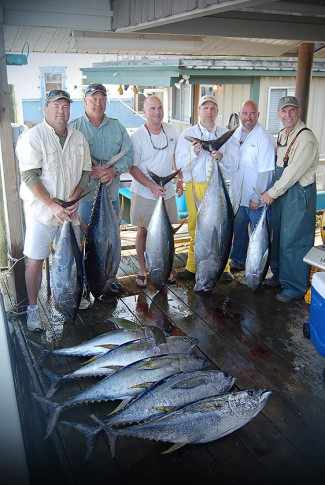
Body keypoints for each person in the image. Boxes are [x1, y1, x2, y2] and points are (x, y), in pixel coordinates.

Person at [17, 89, 92, 331]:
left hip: (70, 211)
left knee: (73, 259)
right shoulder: (33, 136)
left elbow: (87, 172)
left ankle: (73, 295)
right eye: (56, 106)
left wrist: (75, 197)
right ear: (45, 108)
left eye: (65, 106)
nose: (61, 111)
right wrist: (51, 204)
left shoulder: (78, 137)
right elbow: (29, 175)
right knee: (35, 261)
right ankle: (32, 308)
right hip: (42, 211)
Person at [69, 83, 133, 298]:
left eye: (101, 98)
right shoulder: (74, 127)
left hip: (111, 195)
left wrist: (114, 169)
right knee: (85, 244)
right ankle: (86, 284)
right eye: (93, 98)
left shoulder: (118, 126)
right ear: (85, 101)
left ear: (106, 101)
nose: (98, 102)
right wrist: (90, 169)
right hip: (84, 197)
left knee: (111, 242)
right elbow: (67, 160)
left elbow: (129, 155)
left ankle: (109, 279)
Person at [260, 96, 319, 302]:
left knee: (294, 241)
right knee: (278, 238)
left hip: (297, 196)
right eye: (284, 111)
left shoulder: (306, 139)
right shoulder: (284, 134)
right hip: (282, 195)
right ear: (278, 114)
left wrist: (271, 193)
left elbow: (292, 173)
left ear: (299, 112)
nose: (288, 115)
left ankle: (294, 287)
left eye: (292, 111)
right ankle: (279, 275)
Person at [175, 95, 234, 282]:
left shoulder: (226, 133)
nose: (209, 112)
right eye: (205, 108)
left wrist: (222, 157)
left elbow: (235, 161)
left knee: (221, 228)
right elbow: (180, 164)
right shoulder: (187, 134)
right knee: (195, 228)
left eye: (212, 108)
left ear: (217, 112)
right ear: (199, 111)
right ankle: (192, 266)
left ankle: (224, 267)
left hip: (218, 189)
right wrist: (195, 152)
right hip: (195, 187)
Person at [129, 95, 183, 288]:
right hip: (144, 192)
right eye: (152, 109)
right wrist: (151, 185)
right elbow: (132, 168)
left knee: (167, 232)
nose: (157, 112)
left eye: (159, 108)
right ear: (144, 111)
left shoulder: (171, 130)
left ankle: (165, 267)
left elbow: (177, 156)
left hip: (166, 191)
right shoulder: (136, 137)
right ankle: (143, 269)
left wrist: (180, 179)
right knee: (142, 231)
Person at [220, 100, 275, 276]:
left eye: (252, 114)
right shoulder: (235, 133)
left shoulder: (263, 137)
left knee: (258, 238)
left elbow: (267, 171)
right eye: (245, 113)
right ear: (239, 114)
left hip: (254, 199)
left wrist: (256, 197)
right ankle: (238, 262)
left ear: (258, 115)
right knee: (239, 231)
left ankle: (257, 270)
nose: (248, 118)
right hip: (237, 196)